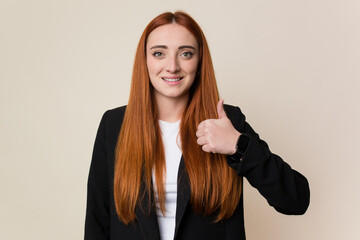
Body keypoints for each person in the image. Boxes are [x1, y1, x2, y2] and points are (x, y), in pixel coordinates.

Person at [84, 11, 310, 240]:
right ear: (145, 61)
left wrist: (238, 145)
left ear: (200, 60)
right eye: (159, 53)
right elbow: (97, 222)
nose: (172, 66)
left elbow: (296, 200)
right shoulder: (113, 126)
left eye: (185, 53)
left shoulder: (226, 121)